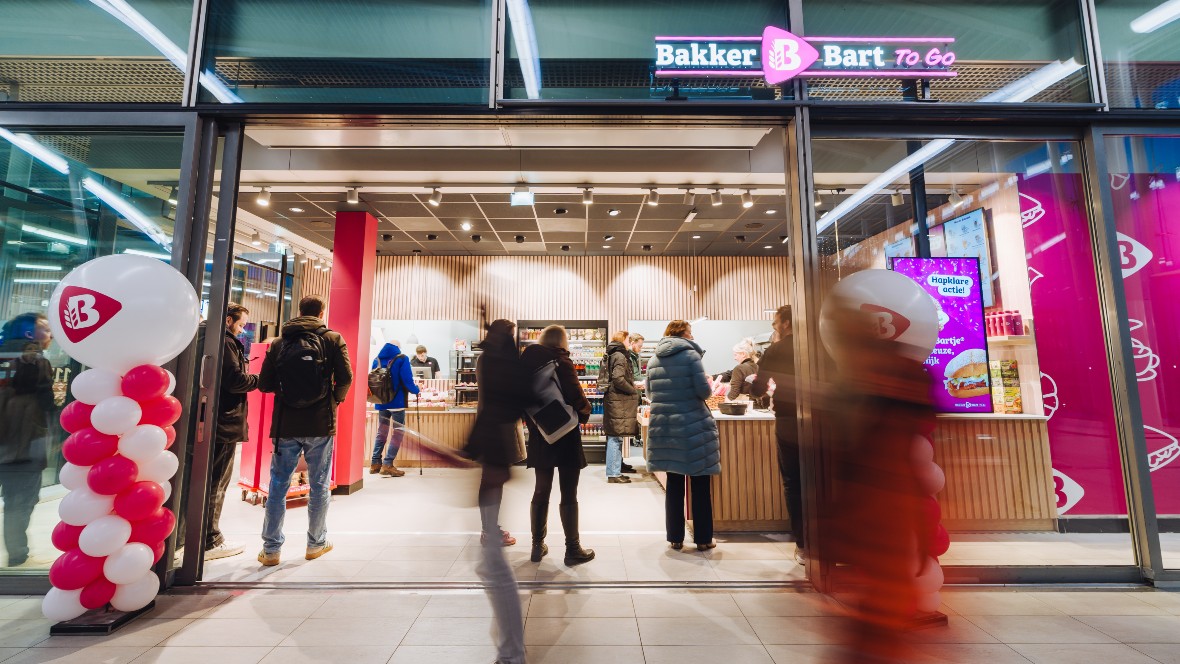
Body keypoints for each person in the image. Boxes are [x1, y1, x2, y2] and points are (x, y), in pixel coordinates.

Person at [256, 295, 352, 566]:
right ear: (322, 313)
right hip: (320, 422)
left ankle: (271, 550)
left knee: (278, 484)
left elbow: (264, 384)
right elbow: (345, 377)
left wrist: (287, 393)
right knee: (319, 484)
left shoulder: (278, 342)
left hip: (286, 422)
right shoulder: (332, 339)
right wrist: (334, 399)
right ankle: (315, 544)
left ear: (299, 312)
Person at [463, 319, 526, 664]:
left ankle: (511, 653)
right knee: (492, 569)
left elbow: (489, 405)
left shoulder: (487, 359)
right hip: (497, 446)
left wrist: (469, 447)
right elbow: (506, 404)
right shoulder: (506, 361)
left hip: (492, 448)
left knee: (493, 569)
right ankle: (511, 653)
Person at [184, 304, 259, 562]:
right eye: (240, 325)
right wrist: (259, 380)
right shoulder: (224, 342)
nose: (241, 330)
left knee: (193, 483)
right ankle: (209, 540)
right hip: (222, 422)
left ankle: (186, 538)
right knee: (216, 482)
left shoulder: (196, 338)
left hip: (198, 420)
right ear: (228, 320)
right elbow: (234, 381)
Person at [522, 325, 595, 566]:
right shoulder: (561, 361)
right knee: (568, 490)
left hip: (540, 431)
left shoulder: (526, 362)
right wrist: (585, 412)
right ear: (562, 341)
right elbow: (575, 394)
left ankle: (536, 545)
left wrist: (533, 423)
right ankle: (572, 549)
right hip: (565, 431)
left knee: (541, 489)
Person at [646, 320, 721, 552]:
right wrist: (707, 382)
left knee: (675, 483)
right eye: (691, 332)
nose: (692, 335)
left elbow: (649, 393)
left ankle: (675, 538)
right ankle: (703, 539)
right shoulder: (692, 357)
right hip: (693, 426)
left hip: (665, 426)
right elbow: (704, 392)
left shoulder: (653, 359)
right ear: (685, 334)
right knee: (699, 483)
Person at [751, 305, 805, 564]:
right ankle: (827, 539)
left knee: (793, 482)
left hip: (788, 419)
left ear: (785, 323)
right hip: (824, 420)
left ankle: (804, 545)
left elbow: (758, 388)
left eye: (775, 322)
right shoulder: (820, 345)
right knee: (822, 480)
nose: (774, 327)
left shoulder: (777, 349)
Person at [0, 313, 54, 568]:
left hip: (10, 443)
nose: (50, 333)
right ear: (30, 334)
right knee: (19, 503)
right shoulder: (36, 362)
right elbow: (46, 403)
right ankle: (18, 555)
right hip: (23, 445)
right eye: (45, 328)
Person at [370, 341, 419, 477]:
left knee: (382, 431)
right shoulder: (402, 358)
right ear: (398, 347)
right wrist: (416, 390)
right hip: (397, 402)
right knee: (398, 432)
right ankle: (388, 464)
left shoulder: (376, 359)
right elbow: (407, 380)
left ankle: (375, 463)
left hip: (381, 402)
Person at [600, 331, 639, 484]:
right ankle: (613, 473)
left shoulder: (612, 354)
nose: (629, 341)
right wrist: (633, 389)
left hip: (614, 400)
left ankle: (617, 467)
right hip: (618, 401)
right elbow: (618, 379)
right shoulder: (620, 356)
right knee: (615, 437)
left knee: (615, 435)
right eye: (628, 339)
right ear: (623, 340)